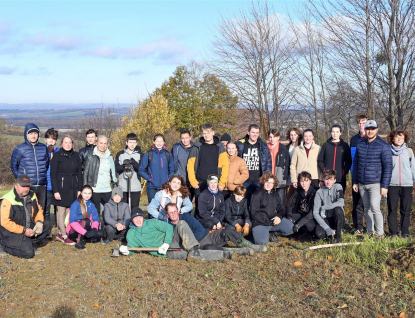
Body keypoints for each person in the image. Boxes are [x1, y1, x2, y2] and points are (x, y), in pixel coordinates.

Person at [165, 202, 266, 256]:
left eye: (175, 211)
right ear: (167, 215)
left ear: (178, 211)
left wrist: (194, 241)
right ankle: (241, 251)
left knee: (228, 231)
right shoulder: (168, 226)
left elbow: (199, 229)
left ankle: (252, 246)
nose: (173, 214)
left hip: (207, 235)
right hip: (198, 246)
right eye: (171, 212)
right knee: (211, 249)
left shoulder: (186, 217)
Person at [352, 120, 392, 238]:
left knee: (375, 207)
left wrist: (385, 186)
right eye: (368, 129)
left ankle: (380, 233)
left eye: (372, 129)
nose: (370, 131)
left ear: (377, 130)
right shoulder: (361, 144)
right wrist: (355, 181)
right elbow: (356, 164)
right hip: (362, 183)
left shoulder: (383, 146)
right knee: (367, 208)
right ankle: (370, 231)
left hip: (376, 183)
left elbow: (388, 167)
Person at [0, 175, 49, 258]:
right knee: (28, 253)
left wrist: (39, 222)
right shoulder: (7, 200)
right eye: (23, 186)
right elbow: (5, 222)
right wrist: (23, 230)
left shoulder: (32, 194)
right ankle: (4, 246)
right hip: (11, 232)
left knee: (46, 225)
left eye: (28, 186)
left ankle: (27, 242)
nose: (26, 189)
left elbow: (39, 210)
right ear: (16, 186)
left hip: (27, 227)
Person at [187, 123, 229, 215]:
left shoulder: (220, 148)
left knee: (214, 207)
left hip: (214, 182)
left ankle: (214, 226)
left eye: (208, 133)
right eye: (204, 133)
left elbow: (225, 166)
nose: (206, 135)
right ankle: (199, 227)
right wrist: (193, 181)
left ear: (213, 133)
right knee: (199, 208)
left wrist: (222, 183)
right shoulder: (197, 147)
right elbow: (190, 166)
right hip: (199, 182)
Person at [51, 135, 82, 245]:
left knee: (69, 212)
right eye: (66, 142)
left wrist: (79, 189)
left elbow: (79, 173)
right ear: (62, 144)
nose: (68, 144)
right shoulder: (57, 156)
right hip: (61, 187)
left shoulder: (76, 155)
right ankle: (63, 236)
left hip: (73, 187)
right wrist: (55, 191)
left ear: (72, 144)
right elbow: (53, 175)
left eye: (70, 142)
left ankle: (64, 232)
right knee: (61, 211)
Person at [10, 123, 49, 212]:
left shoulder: (43, 148)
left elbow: (45, 164)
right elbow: (13, 166)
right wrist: (21, 180)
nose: (33, 136)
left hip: (41, 185)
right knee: (27, 210)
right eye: (31, 133)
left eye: (35, 133)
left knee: (40, 210)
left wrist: (41, 176)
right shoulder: (19, 149)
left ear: (38, 134)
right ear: (26, 135)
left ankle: (39, 226)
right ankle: (28, 226)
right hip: (27, 185)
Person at [250, 171, 294, 245]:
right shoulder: (256, 194)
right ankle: (259, 233)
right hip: (260, 223)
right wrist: (268, 222)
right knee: (261, 242)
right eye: (267, 182)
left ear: (274, 184)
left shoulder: (275, 194)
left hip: (273, 221)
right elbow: (254, 213)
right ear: (263, 182)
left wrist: (279, 217)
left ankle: (273, 234)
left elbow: (282, 209)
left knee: (291, 228)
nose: (269, 184)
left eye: (271, 183)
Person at [386, 130, 415, 238]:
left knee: (405, 209)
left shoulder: (409, 151)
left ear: (404, 139)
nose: (399, 139)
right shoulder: (388, 151)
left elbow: (413, 168)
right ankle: (393, 233)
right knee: (392, 209)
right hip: (392, 184)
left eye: (401, 137)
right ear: (392, 138)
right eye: (397, 137)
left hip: (407, 184)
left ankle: (405, 233)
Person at [237, 124, 272, 204]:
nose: (255, 134)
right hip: (244, 180)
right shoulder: (241, 144)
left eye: (257, 132)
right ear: (248, 132)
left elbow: (268, 162)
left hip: (258, 180)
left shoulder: (263, 146)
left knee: (257, 203)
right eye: (253, 132)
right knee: (243, 202)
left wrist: (267, 178)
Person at [83, 135, 117, 217]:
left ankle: (107, 229)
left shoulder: (110, 157)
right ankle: (96, 228)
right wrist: (85, 188)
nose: (103, 145)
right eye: (101, 143)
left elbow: (113, 173)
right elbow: (86, 173)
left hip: (107, 189)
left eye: (105, 143)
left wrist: (115, 186)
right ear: (97, 143)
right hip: (95, 189)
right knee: (95, 212)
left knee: (108, 212)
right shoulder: (91, 157)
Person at [139, 133, 175, 204]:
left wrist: (168, 179)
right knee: (152, 208)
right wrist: (150, 178)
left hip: (165, 187)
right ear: (154, 142)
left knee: (165, 207)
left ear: (164, 142)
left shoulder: (168, 154)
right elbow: (141, 170)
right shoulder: (149, 154)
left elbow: (172, 170)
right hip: (152, 186)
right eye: (157, 141)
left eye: (161, 141)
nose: (159, 143)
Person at [66, 185, 104, 249]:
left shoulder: (91, 204)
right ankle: (79, 242)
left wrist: (94, 229)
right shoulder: (75, 204)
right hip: (73, 230)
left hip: (86, 228)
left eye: (89, 193)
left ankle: (85, 238)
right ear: (81, 193)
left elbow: (95, 219)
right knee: (86, 221)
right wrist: (85, 232)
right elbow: (73, 222)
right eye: (85, 193)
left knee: (100, 233)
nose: (87, 195)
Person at [313, 170, 345, 243]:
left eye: (331, 179)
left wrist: (325, 207)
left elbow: (341, 202)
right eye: (327, 179)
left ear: (334, 180)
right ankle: (330, 233)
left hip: (338, 218)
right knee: (319, 234)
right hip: (326, 218)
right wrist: (326, 228)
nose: (328, 182)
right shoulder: (319, 192)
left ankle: (338, 236)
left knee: (338, 209)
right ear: (324, 179)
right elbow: (315, 212)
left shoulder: (338, 187)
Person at [317, 124, 352, 192]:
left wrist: (344, 172)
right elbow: (320, 160)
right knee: (327, 198)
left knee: (339, 198)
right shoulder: (326, 145)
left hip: (340, 178)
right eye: (333, 132)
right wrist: (324, 171)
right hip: (327, 178)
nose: (335, 134)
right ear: (330, 133)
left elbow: (348, 161)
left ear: (340, 133)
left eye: (337, 132)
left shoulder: (344, 146)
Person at [349, 113, 368, 235]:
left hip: (370, 177)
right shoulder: (354, 139)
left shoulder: (372, 139)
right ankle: (358, 227)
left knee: (370, 205)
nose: (361, 125)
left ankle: (372, 227)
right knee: (357, 204)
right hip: (356, 176)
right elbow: (351, 159)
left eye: (364, 122)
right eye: (359, 123)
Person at [285, 171, 318, 236]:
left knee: (309, 226)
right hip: (299, 214)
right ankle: (296, 231)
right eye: (302, 181)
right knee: (286, 219)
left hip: (309, 217)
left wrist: (299, 224)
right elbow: (290, 204)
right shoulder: (298, 191)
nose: (304, 183)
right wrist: (289, 216)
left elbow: (313, 212)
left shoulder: (315, 192)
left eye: (306, 181)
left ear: (310, 181)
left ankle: (302, 231)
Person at [115, 133, 143, 208]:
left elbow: (141, 170)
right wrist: (124, 166)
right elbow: (117, 169)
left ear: (136, 143)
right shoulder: (120, 154)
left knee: (134, 208)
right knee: (123, 209)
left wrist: (134, 162)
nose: (132, 144)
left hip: (135, 187)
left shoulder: (140, 155)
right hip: (123, 187)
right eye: (130, 142)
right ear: (126, 142)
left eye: (134, 142)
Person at [267, 129, 290, 204]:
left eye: (274, 137)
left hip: (280, 178)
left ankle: (280, 215)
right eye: (270, 137)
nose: (272, 139)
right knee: (268, 200)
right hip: (268, 178)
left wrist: (285, 176)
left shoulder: (283, 149)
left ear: (278, 137)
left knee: (280, 200)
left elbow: (287, 164)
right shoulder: (265, 148)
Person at [171, 129, 195, 200]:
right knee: (178, 203)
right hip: (179, 181)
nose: (185, 140)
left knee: (188, 204)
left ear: (190, 137)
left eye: (186, 138)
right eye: (183, 138)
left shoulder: (195, 148)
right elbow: (171, 163)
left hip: (192, 180)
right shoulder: (176, 148)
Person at [44, 128, 59, 232]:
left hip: (57, 185)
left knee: (58, 208)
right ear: (45, 139)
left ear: (56, 141)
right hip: (46, 185)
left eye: (53, 139)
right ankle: (47, 230)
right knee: (47, 209)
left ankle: (59, 228)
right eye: (49, 138)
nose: (51, 141)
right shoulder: (42, 151)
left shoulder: (59, 152)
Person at [285, 128, 302, 202]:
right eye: (291, 135)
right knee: (289, 196)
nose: (293, 137)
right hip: (289, 175)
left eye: (295, 135)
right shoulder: (286, 148)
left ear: (298, 135)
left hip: (299, 174)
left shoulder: (302, 147)